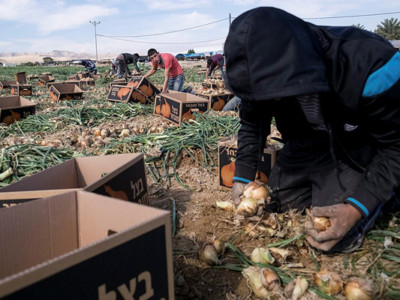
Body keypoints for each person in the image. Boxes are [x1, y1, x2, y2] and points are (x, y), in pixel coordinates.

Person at [224, 7, 400, 253]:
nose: (272, 101)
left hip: (359, 144)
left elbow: (395, 147)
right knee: (275, 206)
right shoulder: (258, 73)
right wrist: (243, 177)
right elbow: (253, 124)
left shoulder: (371, 67)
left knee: (330, 230)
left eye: (276, 91)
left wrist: (356, 207)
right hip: (307, 141)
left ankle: (387, 198)